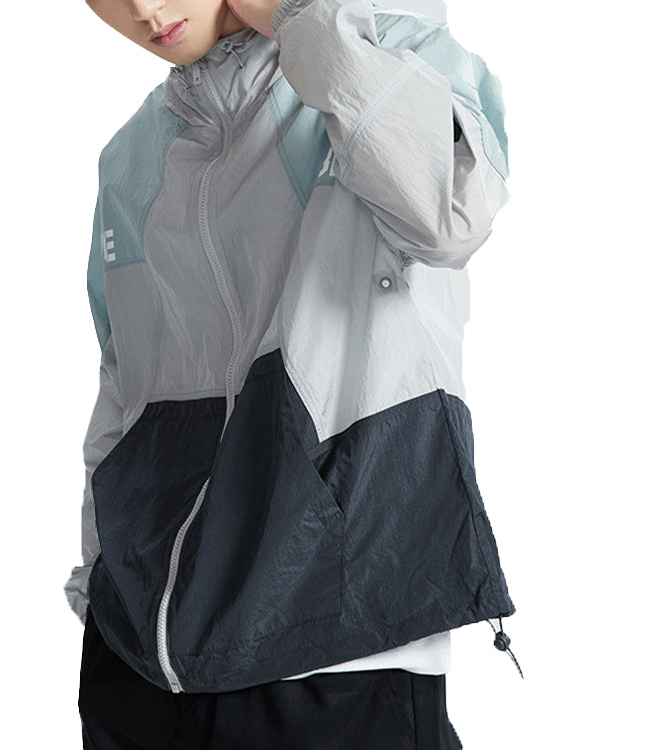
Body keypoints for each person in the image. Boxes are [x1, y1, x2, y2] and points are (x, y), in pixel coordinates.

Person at [64, 0, 518, 747]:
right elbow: (122, 392)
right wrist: (100, 585)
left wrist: (299, 15)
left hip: (338, 655)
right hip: (140, 666)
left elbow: (447, 220)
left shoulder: (382, 55)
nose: (143, 8)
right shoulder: (131, 158)